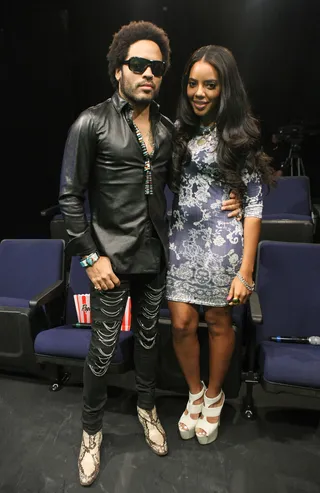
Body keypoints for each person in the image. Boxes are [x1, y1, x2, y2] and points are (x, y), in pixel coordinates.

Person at [59, 23, 241, 486]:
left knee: (147, 344)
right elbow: (68, 199)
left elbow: (189, 183)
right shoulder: (91, 122)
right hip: (108, 264)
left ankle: (146, 409)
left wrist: (236, 193)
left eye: (156, 67)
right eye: (137, 65)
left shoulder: (167, 129)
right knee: (101, 352)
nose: (148, 74)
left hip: (155, 259)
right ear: (119, 69)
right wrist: (89, 258)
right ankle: (91, 432)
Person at [166, 45, 273, 446]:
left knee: (218, 323)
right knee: (181, 324)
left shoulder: (239, 134)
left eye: (209, 85)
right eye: (192, 84)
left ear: (224, 88)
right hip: (181, 241)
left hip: (221, 243)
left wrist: (245, 272)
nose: (199, 92)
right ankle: (194, 392)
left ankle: (214, 394)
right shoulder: (178, 131)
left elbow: (256, 203)